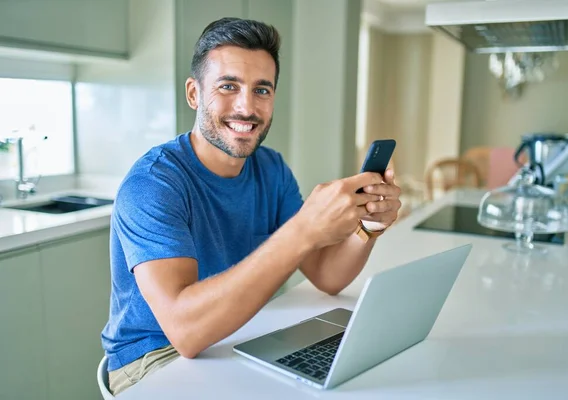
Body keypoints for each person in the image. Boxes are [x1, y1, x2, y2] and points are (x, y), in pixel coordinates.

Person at [101, 17, 402, 395]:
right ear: (194, 93)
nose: (247, 108)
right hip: (153, 362)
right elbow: (185, 332)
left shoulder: (270, 168)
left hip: (239, 335)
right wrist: (303, 229)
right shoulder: (153, 184)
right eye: (228, 86)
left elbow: (328, 276)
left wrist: (367, 227)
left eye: (262, 90)